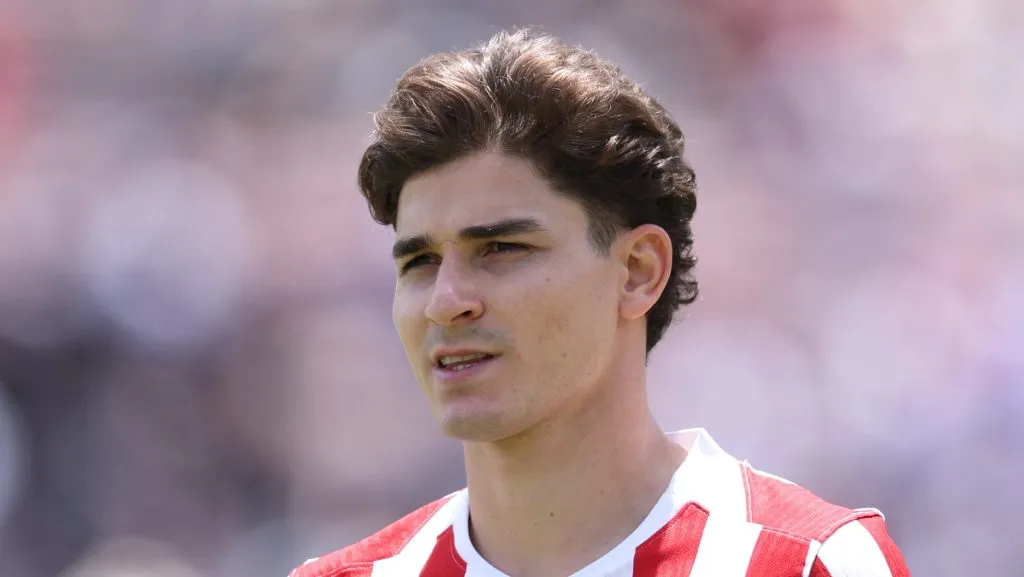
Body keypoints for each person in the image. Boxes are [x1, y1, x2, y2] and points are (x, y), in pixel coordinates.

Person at [290, 28, 911, 577]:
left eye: (502, 248)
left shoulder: (807, 563)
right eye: (420, 262)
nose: (446, 302)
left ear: (638, 272)